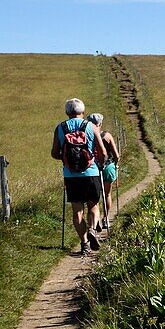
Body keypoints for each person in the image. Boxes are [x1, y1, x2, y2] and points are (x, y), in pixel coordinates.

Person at [51, 97, 107, 256]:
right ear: (83, 111)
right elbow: (102, 152)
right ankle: (92, 229)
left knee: (77, 212)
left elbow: (54, 153)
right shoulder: (91, 126)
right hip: (91, 172)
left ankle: (84, 244)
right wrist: (100, 165)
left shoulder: (60, 128)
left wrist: (67, 159)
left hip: (71, 176)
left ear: (67, 112)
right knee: (93, 206)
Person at [87, 113, 120, 228]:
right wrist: (116, 163)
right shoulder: (107, 136)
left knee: (94, 198)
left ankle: (95, 221)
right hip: (108, 167)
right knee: (107, 194)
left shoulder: (87, 135)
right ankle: (106, 219)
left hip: (92, 168)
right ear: (100, 123)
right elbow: (116, 155)